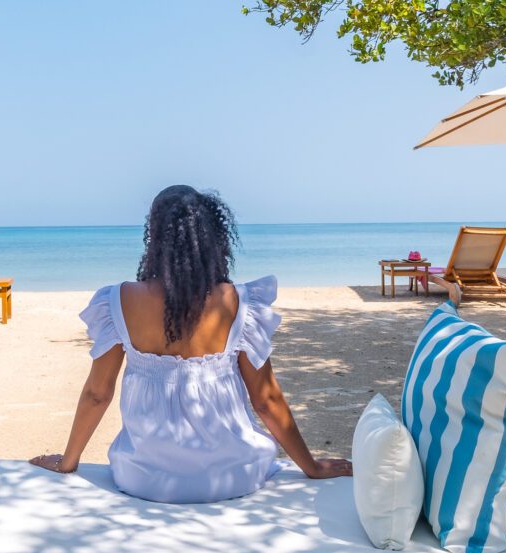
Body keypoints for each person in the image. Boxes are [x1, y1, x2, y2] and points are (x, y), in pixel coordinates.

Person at [30, 185, 351, 502]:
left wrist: (67, 462)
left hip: (144, 478)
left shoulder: (119, 300)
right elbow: (266, 400)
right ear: (213, 237)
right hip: (233, 476)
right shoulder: (238, 302)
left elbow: (97, 394)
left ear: (153, 236)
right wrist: (311, 467)